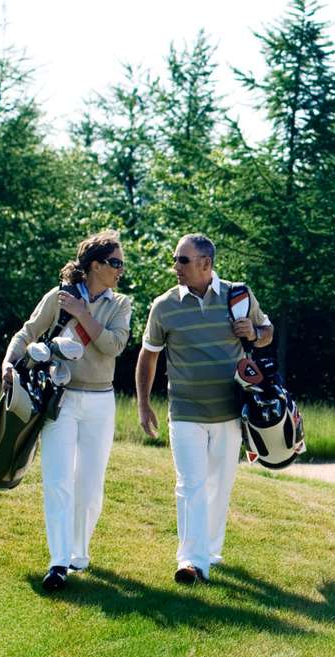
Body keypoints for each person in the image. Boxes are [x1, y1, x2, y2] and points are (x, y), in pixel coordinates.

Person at [135, 233, 273, 586]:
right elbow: (148, 355)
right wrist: (144, 402)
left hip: (229, 411)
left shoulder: (237, 295)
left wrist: (254, 333)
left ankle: (209, 551)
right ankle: (191, 561)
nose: (176, 267)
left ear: (205, 264)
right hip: (184, 411)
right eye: (176, 259)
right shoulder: (163, 306)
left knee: (219, 485)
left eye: (182, 260)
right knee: (190, 484)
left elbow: (267, 330)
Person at [0, 230, 133, 592]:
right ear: (95, 265)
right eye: (116, 263)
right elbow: (26, 334)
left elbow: (113, 346)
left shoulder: (120, 305)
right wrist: (8, 364)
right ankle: (58, 562)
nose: (121, 269)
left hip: (101, 401)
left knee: (89, 486)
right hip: (58, 397)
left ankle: (78, 552)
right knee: (58, 481)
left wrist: (82, 314)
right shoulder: (58, 297)